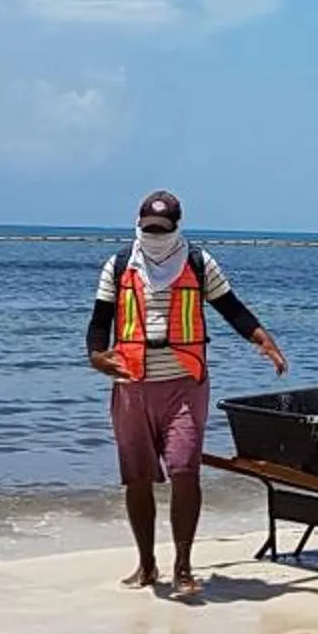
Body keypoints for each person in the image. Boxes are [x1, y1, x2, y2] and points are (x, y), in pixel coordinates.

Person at [86, 190, 288, 603]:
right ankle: (146, 564)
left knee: (184, 470)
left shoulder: (198, 263)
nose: (155, 235)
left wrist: (262, 339)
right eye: (149, 228)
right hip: (131, 384)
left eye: (162, 229)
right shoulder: (119, 265)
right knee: (137, 478)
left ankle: (183, 566)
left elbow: (231, 308)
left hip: (184, 383)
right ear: (138, 225)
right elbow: (99, 320)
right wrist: (95, 356)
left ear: (177, 227)